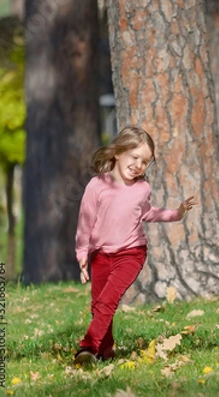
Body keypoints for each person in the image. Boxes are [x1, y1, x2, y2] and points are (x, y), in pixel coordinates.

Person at [73, 126, 197, 365]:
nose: (139, 165)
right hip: (100, 255)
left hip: (131, 253)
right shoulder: (97, 186)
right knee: (98, 305)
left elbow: (147, 213)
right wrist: (82, 252)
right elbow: (85, 221)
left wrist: (177, 213)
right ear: (117, 153)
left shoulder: (142, 188)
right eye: (135, 157)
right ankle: (104, 351)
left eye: (145, 161)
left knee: (108, 301)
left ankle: (86, 347)